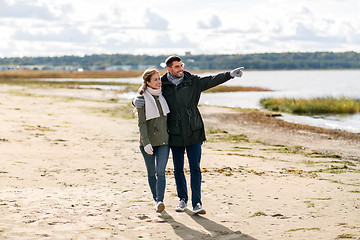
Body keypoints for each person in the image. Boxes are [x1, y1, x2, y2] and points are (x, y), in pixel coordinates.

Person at [134, 56, 244, 214]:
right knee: (178, 169)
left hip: (194, 131)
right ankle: (182, 200)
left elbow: (211, 80)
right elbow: (146, 93)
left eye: (181, 65)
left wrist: (229, 75)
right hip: (175, 133)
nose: (181, 69)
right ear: (169, 69)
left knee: (195, 169)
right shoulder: (163, 84)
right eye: (177, 67)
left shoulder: (193, 81)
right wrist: (134, 100)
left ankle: (197, 203)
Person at [136, 68, 170, 213]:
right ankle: (156, 200)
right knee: (151, 173)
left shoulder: (164, 95)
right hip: (147, 143)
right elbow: (141, 123)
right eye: (155, 79)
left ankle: (160, 200)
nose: (159, 82)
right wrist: (146, 142)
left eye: (159, 79)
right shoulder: (142, 99)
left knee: (160, 172)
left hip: (164, 141)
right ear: (148, 82)